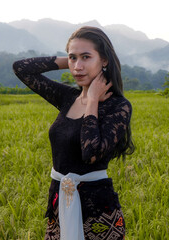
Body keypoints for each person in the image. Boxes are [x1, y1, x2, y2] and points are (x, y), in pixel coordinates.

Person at [13, 26, 134, 240]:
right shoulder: (68, 97)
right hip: (59, 203)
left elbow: (90, 153)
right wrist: (69, 58)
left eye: (86, 57)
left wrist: (93, 100)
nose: (78, 67)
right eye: (73, 59)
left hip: (98, 213)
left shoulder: (118, 106)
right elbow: (21, 68)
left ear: (104, 60)